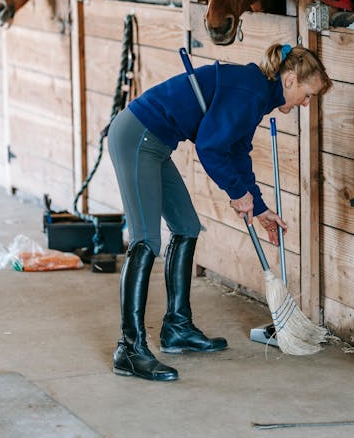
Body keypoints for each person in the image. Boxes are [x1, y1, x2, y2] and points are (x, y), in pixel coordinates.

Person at [107, 42, 332, 382]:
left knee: (186, 227)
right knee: (146, 241)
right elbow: (210, 147)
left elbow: (236, 152)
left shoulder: (256, 94)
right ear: (289, 80)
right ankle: (130, 349)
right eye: (306, 94)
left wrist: (258, 207)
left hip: (156, 143)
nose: (306, 103)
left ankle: (177, 329)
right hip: (137, 135)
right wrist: (236, 193)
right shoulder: (250, 91)